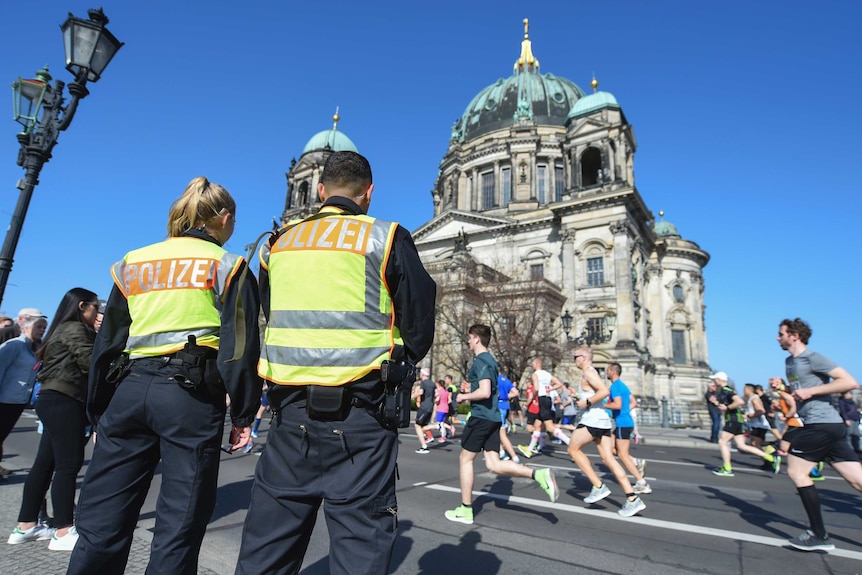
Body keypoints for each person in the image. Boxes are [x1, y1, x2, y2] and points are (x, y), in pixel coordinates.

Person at [235, 151, 436, 575]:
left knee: (266, 551)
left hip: (289, 419)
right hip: (362, 419)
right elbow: (419, 326)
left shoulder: (277, 244)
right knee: (359, 553)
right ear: (369, 194)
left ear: (321, 190)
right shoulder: (386, 238)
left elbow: (273, 314)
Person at [66, 177, 262, 574]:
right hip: (189, 396)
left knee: (102, 522)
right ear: (224, 219)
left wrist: (99, 407)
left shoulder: (133, 261)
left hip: (129, 388)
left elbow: (109, 341)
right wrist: (243, 413)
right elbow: (239, 346)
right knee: (178, 526)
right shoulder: (229, 265)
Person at [8, 289, 98, 550]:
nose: (97, 312)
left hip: (53, 399)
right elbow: (90, 362)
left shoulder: (62, 328)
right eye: (95, 307)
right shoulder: (74, 328)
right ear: (82, 306)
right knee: (68, 465)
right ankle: (63, 530)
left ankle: (25, 526)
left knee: (45, 464)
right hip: (65, 400)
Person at [444, 325, 557, 525]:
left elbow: (486, 392)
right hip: (493, 417)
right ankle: (537, 474)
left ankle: (465, 509)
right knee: (493, 464)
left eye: (470, 338)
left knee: (465, 459)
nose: (468, 342)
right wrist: (471, 387)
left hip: (481, 417)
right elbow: (488, 388)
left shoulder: (481, 360)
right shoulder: (491, 361)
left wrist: (463, 396)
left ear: (477, 339)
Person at [777, 318, 862, 551]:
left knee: (796, 472)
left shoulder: (813, 358)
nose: (778, 338)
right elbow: (799, 394)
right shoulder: (789, 362)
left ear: (794, 335)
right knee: (857, 481)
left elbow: (849, 381)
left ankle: (819, 535)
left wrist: (812, 390)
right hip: (825, 424)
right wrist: (787, 399)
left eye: (781, 333)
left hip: (821, 424)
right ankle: (818, 534)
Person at [566, 346, 646, 517]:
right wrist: (579, 397)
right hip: (602, 421)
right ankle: (632, 498)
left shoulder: (588, 372)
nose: (574, 361)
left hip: (592, 420)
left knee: (572, 449)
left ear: (584, 357)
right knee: (608, 458)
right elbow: (595, 393)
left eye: (575, 357)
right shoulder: (590, 372)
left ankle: (598, 486)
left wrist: (586, 403)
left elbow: (604, 391)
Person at [0, 315, 48, 476]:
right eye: (38, 327)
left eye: (43, 327)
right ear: (26, 328)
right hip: (4, 399)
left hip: (19, 400)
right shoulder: (14, 346)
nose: (42, 330)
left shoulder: (36, 348)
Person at [710, 372, 778, 477]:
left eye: (714, 379)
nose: (713, 382)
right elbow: (728, 404)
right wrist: (717, 404)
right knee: (741, 446)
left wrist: (727, 408)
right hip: (736, 419)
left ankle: (727, 468)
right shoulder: (726, 391)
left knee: (722, 442)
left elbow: (739, 401)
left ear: (719, 379)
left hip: (733, 420)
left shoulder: (726, 390)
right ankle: (770, 458)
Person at [604, 362, 651, 495]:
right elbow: (634, 402)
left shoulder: (615, 387)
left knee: (623, 455)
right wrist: (625, 411)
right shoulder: (623, 386)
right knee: (611, 449)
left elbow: (617, 405)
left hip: (622, 424)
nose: (606, 373)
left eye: (607, 370)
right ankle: (636, 462)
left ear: (613, 371)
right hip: (625, 422)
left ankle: (642, 483)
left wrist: (604, 406)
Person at [413, 366, 437, 451]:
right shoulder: (433, 383)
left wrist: (412, 396)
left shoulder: (423, 383)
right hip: (430, 406)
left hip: (424, 407)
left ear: (422, 374)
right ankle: (437, 427)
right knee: (423, 425)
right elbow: (436, 396)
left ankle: (424, 446)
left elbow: (421, 392)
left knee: (417, 425)